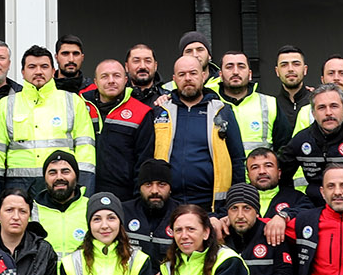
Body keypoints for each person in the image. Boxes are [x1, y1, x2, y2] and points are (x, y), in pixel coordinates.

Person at [133, 55, 245, 210]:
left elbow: (237, 160)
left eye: (193, 73)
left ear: (203, 76)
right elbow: (144, 160)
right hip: (167, 205)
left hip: (212, 206)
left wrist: (235, 204)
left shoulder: (222, 111)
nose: (188, 78)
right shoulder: (160, 112)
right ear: (174, 79)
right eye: (182, 74)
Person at [0, 45, 96, 198]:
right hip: (17, 187)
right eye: (32, 67)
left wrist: (84, 192)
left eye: (44, 66)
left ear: (53, 71)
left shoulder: (72, 102)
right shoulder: (6, 105)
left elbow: (86, 151)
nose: (38, 72)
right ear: (23, 72)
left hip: (60, 184)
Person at [277, 85, 343, 214]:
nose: (328, 113)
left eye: (334, 106)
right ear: (313, 113)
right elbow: (280, 174)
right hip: (315, 210)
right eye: (321, 107)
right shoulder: (301, 139)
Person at [89, 57, 154, 201]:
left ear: (126, 80)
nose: (111, 80)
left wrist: (137, 200)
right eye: (104, 76)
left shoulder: (141, 112)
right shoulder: (82, 107)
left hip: (125, 197)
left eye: (116, 76)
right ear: (95, 82)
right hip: (86, 193)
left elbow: (144, 162)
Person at [215, 52, 280, 151]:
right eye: (229, 67)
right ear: (220, 75)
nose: (235, 72)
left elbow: (284, 150)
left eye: (241, 66)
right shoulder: (211, 105)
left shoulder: (270, 104)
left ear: (250, 74)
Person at [30, 150, 90, 254]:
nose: (59, 177)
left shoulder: (91, 207)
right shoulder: (31, 210)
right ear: (45, 178)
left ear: (76, 176)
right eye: (52, 173)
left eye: (65, 172)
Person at [125, 160, 177, 263]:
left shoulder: (182, 215)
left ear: (170, 188)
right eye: (148, 184)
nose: (154, 191)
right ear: (140, 188)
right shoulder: (123, 213)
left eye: (161, 184)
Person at [267, 46, 314, 153]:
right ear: (277, 71)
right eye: (284, 65)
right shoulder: (270, 105)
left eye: (296, 64)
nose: (290, 69)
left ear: (305, 69)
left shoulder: (317, 102)